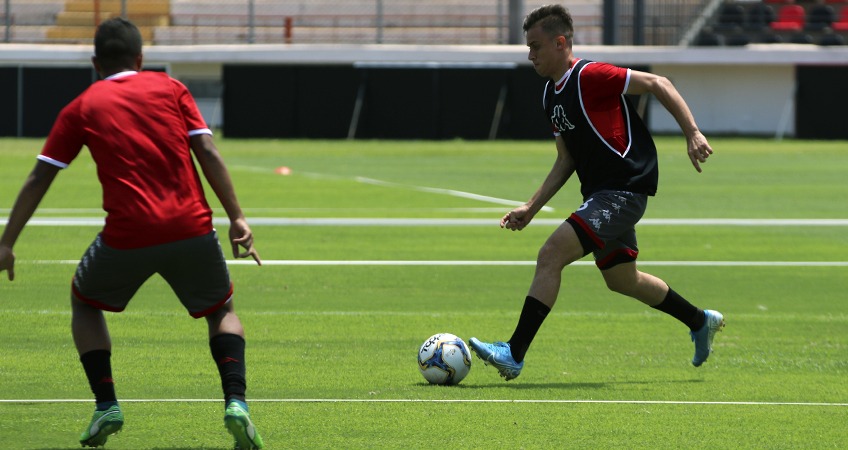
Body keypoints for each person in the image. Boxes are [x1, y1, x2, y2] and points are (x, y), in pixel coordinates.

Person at [0, 18, 264, 449]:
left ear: (94, 63)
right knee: (221, 310)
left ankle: (106, 404)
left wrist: (7, 243)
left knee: (84, 302)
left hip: (127, 236)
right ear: (141, 59)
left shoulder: (83, 106)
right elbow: (208, 152)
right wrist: (237, 216)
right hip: (191, 227)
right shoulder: (171, 89)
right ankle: (236, 402)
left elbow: (39, 177)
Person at [469, 4, 725, 381]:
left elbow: (660, 84)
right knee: (622, 279)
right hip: (602, 195)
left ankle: (514, 352)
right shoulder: (549, 96)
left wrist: (692, 132)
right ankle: (700, 320)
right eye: (528, 46)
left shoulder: (590, 75)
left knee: (550, 254)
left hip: (623, 189)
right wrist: (532, 206)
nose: (530, 55)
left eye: (536, 46)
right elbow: (565, 159)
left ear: (560, 43)